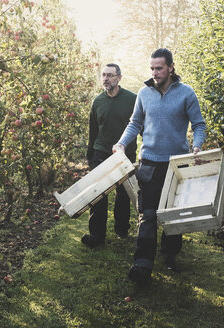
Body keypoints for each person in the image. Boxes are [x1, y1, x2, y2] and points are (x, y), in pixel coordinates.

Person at [113, 48, 206, 285]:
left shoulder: (186, 93)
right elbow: (135, 123)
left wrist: (196, 146)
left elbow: (199, 125)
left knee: (173, 215)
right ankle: (142, 263)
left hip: (177, 164)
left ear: (171, 67)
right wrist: (122, 143)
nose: (155, 72)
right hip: (149, 162)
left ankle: (170, 254)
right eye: (152, 68)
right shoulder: (144, 93)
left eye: (159, 68)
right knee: (148, 214)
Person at [83, 63, 138, 248]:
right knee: (98, 194)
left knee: (123, 194)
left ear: (119, 78)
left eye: (110, 75)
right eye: (103, 75)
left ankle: (121, 229)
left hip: (125, 152)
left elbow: (141, 125)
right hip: (101, 151)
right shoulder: (98, 101)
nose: (105, 78)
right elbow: (93, 129)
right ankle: (96, 236)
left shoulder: (132, 99)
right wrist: (90, 153)